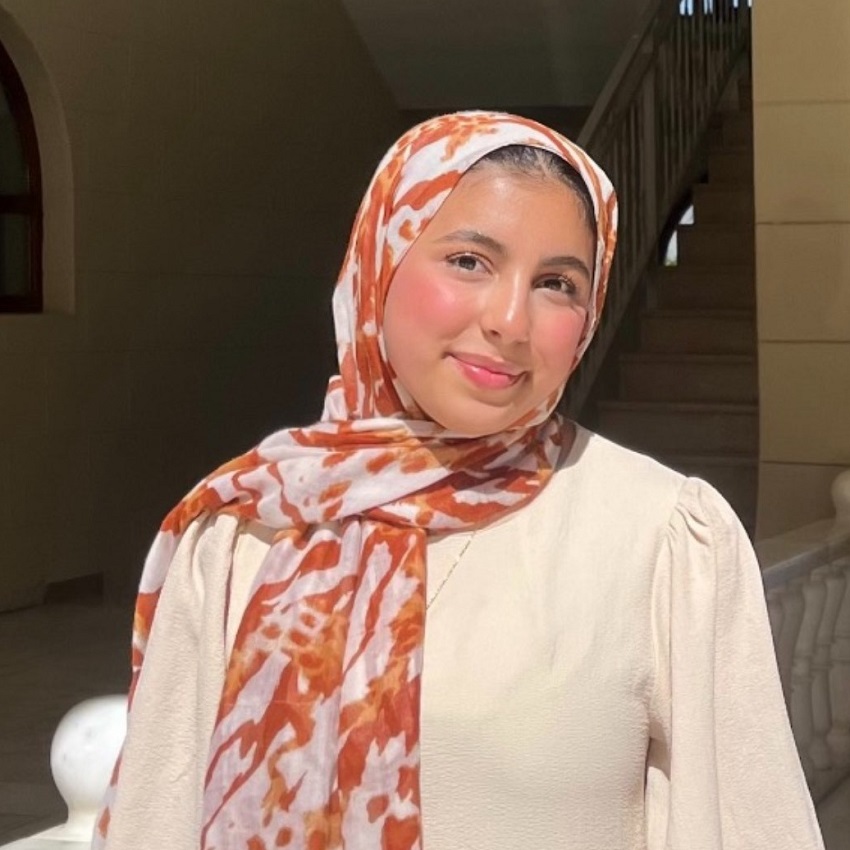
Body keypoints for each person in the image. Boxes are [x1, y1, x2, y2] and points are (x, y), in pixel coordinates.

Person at [93, 112, 824, 850]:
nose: (511, 320)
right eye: (470, 261)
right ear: (380, 260)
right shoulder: (245, 533)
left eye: (557, 283)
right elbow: (154, 821)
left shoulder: (659, 540)